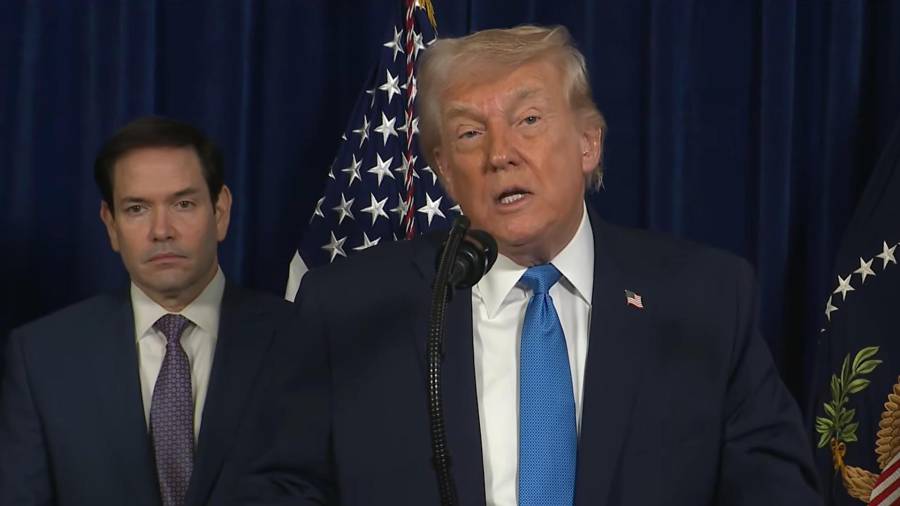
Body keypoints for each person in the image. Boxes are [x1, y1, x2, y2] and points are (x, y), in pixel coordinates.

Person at [242, 26, 821, 505]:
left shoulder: (706, 299)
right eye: (471, 133)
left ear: (588, 143)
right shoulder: (350, 307)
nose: (500, 154)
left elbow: (777, 490)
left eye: (529, 120)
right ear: (444, 172)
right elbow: (281, 488)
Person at [0, 116, 295, 506]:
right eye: (137, 208)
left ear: (220, 212)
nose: (161, 230)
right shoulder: (40, 356)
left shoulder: (298, 338)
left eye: (183, 204)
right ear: (111, 225)